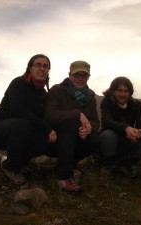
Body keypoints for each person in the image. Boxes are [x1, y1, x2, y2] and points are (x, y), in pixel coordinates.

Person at [0, 54, 57, 185]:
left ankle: (21, 162)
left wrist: (51, 130)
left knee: (45, 138)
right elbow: (17, 111)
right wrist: (46, 127)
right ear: (30, 68)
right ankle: (11, 167)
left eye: (46, 66)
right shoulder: (18, 83)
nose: (42, 68)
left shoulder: (43, 94)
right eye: (38, 65)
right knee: (22, 124)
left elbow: (43, 118)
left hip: (21, 131)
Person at [45, 60, 100, 194]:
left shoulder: (91, 95)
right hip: (57, 140)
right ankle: (63, 177)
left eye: (84, 75)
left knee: (94, 139)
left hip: (77, 140)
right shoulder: (57, 90)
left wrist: (88, 129)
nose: (80, 78)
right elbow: (50, 116)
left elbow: (95, 121)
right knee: (70, 124)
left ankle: (70, 162)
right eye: (77, 75)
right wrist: (77, 114)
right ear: (70, 75)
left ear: (88, 77)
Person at [99, 77, 141, 178]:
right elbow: (107, 122)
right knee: (108, 135)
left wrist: (140, 133)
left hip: (127, 140)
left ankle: (126, 164)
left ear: (130, 93)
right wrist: (126, 128)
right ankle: (108, 164)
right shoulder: (106, 102)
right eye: (120, 90)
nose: (123, 94)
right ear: (113, 91)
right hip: (110, 140)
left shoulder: (137, 105)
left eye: (126, 91)